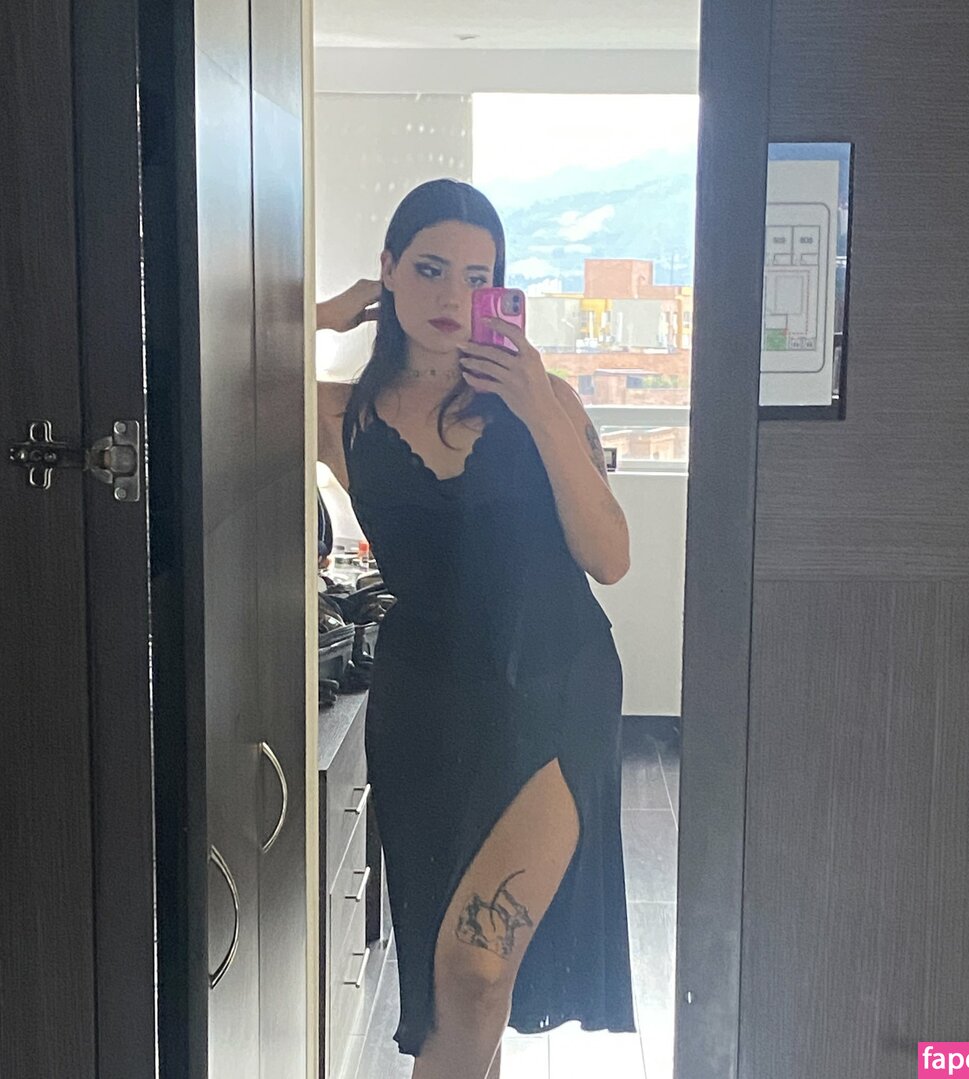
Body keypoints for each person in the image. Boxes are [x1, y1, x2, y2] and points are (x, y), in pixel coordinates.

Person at [316, 178, 635, 1079]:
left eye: (478, 276)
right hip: (425, 708)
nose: (453, 295)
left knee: (476, 967)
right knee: (449, 981)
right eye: (428, 269)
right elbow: (213, 364)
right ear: (387, 270)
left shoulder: (544, 399)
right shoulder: (340, 413)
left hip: (552, 690)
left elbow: (610, 556)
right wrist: (322, 313)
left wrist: (537, 406)